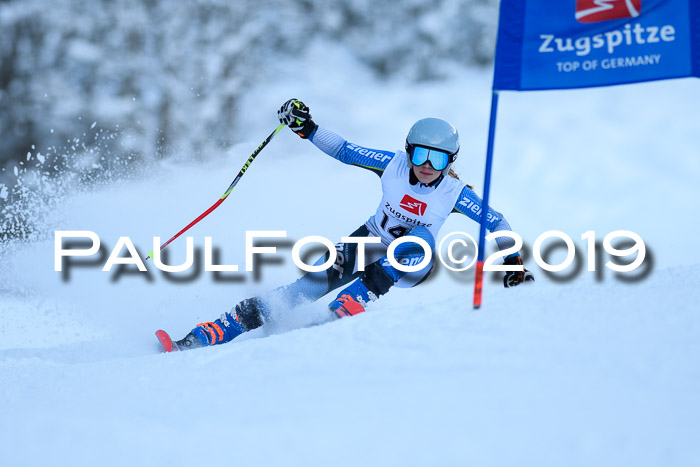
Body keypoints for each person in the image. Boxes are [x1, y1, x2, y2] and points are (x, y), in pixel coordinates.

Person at [173, 99, 533, 350]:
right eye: (420, 154)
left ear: (449, 160)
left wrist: (513, 263)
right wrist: (307, 128)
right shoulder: (392, 165)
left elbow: (496, 221)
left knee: (417, 239)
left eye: (437, 158)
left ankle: (349, 304)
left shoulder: (453, 193)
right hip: (369, 242)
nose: (426, 164)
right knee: (303, 289)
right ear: (408, 151)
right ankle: (216, 329)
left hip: (411, 263)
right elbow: (346, 150)